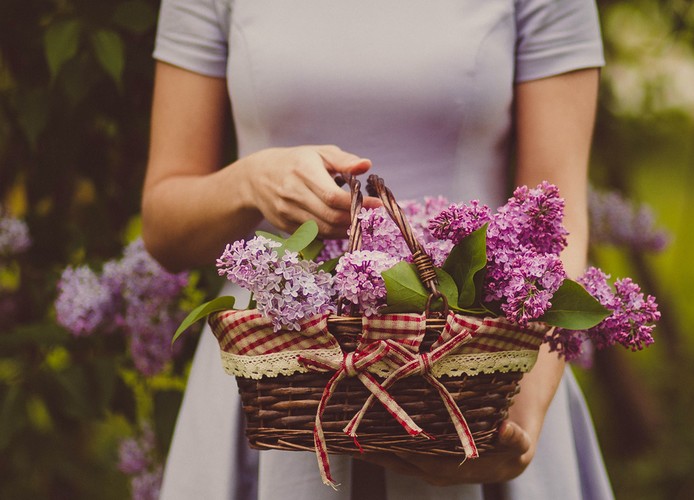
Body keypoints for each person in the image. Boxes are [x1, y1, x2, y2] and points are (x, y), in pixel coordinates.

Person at [141, 0, 613, 498]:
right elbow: (164, 225)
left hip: (477, 368)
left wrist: (519, 418)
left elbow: (557, 220)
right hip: (274, 371)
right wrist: (249, 182)